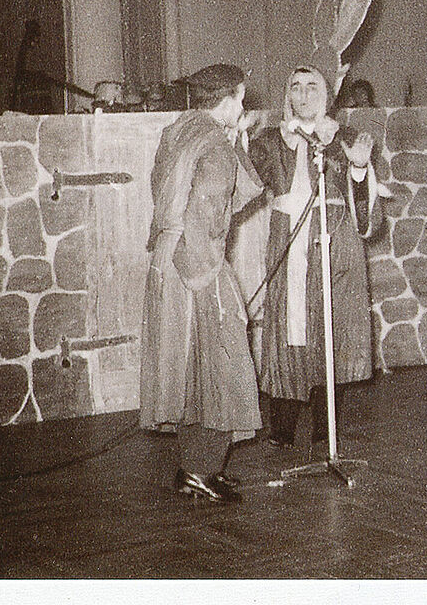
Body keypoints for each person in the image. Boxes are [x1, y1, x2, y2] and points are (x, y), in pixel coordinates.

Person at [140, 63, 263, 504]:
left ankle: (198, 467)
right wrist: (208, 275)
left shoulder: (180, 131)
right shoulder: (215, 144)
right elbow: (210, 211)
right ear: (228, 99)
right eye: (241, 99)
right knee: (219, 365)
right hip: (194, 261)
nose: (243, 107)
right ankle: (201, 469)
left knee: (190, 369)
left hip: (165, 260)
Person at [247, 65, 380, 451]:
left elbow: (366, 206)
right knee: (289, 324)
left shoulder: (345, 136)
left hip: (336, 241)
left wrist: (358, 168)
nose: (303, 95)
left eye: (311, 87)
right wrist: (240, 134)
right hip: (290, 238)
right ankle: (283, 426)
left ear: (325, 94)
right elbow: (245, 176)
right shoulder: (272, 140)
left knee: (331, 326)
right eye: (295, 87)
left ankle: (327, 425)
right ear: (288, 94)